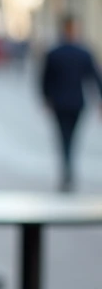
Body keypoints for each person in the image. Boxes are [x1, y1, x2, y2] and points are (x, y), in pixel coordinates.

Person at [40, 15, 102, 191]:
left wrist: (46, 98)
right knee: (70, 138)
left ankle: (67, 170)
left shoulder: (54, 52)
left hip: (61, 103)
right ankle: (68, 170)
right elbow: (96, 78)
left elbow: (44, 81)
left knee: (64, 138)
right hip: (75, 103)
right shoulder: (83, 52)